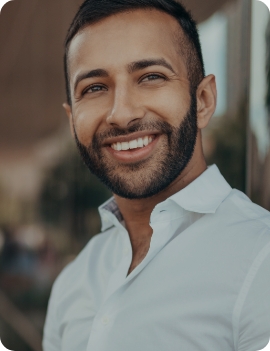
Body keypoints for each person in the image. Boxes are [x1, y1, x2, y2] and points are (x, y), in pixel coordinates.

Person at [43, 0, 270, 350]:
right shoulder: (73, 282)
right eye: (94, 88)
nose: (121, 114)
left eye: (151, 77)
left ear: (204, 100)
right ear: (73, 120)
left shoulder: (261, 259)